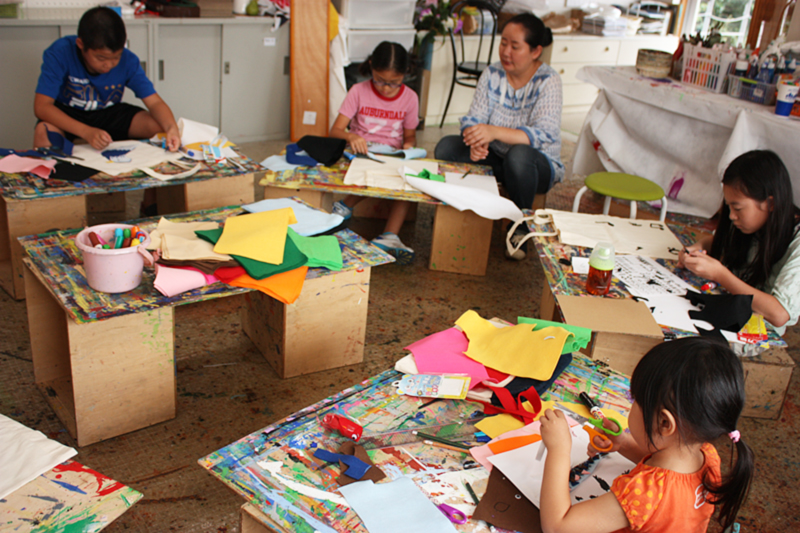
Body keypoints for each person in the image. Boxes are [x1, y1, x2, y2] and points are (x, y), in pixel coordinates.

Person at [539, 337, 754, 533]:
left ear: (664, 423)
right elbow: (663, 465)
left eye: (636, 401)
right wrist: (623, 443)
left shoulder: (643, 494)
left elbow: (558, 527)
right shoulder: (708, 456)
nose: (631, 406)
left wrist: (559, 449)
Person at [434, 13, 563, 260]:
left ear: (536, 51)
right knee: (447, 147)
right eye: (503, 43)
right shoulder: (492, 73)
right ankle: (458, 211)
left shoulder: (549, 81)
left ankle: (520, 226)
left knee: (519, 155)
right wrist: (475, 140)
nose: (506, 52)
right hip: (498, 158)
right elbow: (473, 119)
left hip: (535, 166)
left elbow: (543, 134)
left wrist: (492, 132)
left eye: (515, 46)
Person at [33, 6, 181, 215]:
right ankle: (56, 210)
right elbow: (41, 107)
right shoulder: (60, 52)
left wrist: (172, 127)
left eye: (116, 57)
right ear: (81, 45)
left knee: (159, 127)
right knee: (43, 133)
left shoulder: (128, 60)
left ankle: (150, 205)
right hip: (68, 113)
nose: (109, 65)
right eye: (101, 58)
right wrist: (86, 132)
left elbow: (155, 103)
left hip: (109, 111)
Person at [678, 150, 800, 335]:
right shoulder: (753, 223)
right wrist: (697, 248)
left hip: (757, 331)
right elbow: (718, 241)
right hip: (729, 307)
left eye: (738, 208)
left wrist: (720, 274)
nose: (732, 216)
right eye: (729, 207)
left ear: (770, 204)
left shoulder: (796, 239)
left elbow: (779, 314)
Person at [329, 41, 419, 265]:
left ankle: (389, 236)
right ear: (371, 66)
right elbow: (335, 130)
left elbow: (410, 137)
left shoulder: (410, 98)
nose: (385, 88)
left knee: (408, 179)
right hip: (361, 153)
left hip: (392, 156)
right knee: (372, 170)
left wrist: (408, 148)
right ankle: (345, 205)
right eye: (379, 80)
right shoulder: (358, 91)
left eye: (394, 83)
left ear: (405, 74)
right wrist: (352, 137)